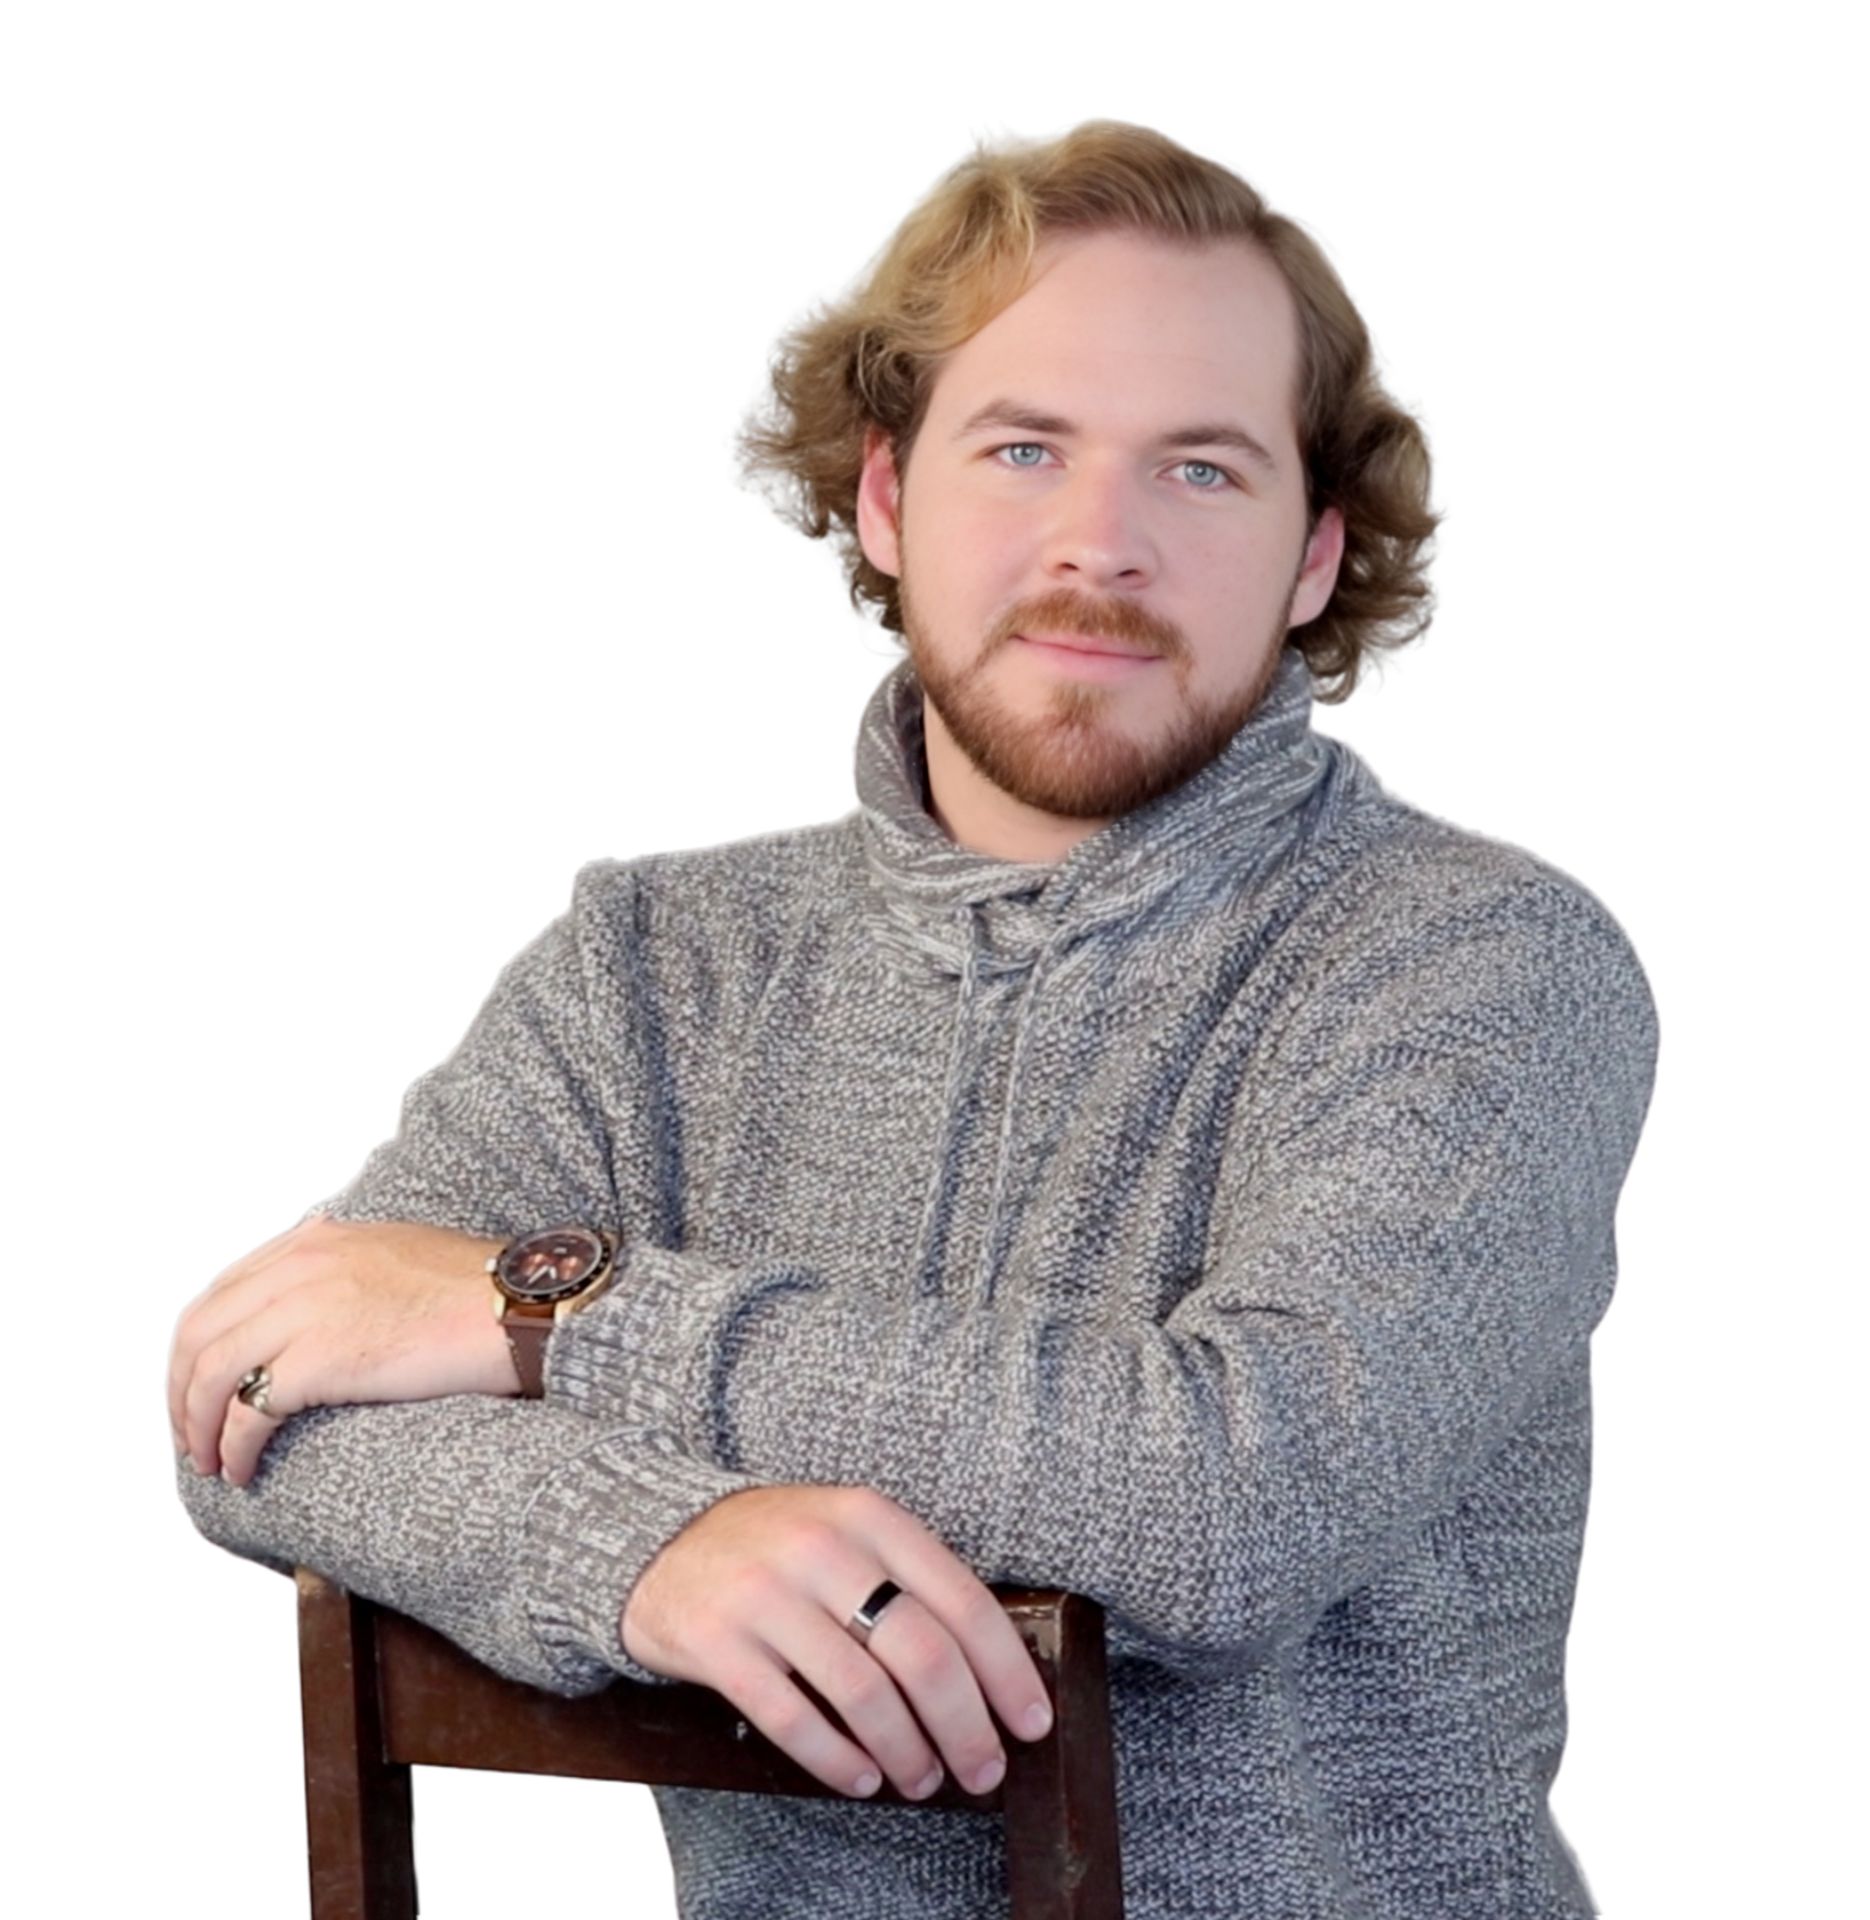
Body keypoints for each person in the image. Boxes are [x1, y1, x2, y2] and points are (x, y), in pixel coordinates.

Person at [169, 119, 1659, 1919]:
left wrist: (562, 1317)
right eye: (1023, 448)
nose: (1099, 543)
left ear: (1315, 555)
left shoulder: (1481, 963)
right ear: (887, 498)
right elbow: (276, 1402)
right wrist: (648, 1543)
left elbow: (1228, 1488)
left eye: (1200, 471)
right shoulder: (656, 962)